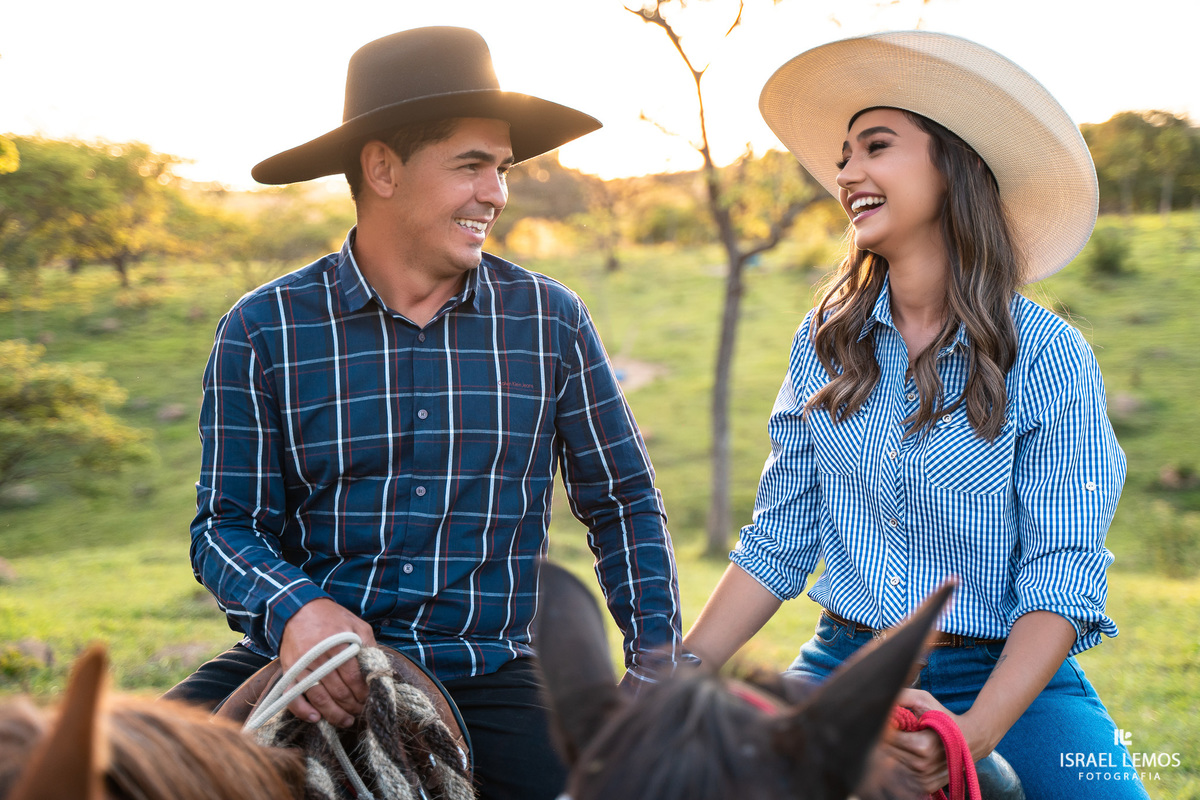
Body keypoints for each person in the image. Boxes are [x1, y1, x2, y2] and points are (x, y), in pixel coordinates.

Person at [165, 27, 692, 800]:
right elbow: (224, 525)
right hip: (301, 661)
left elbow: (623, 502)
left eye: (502, 168)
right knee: (102, 767)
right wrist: (298, 610)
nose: (496, 193)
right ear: (383, 168)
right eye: (471, 166)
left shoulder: (549, 320)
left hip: (490, 676)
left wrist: (654, 670)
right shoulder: (263, 328)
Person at [683, 31, 1149, 799]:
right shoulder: (823, 343)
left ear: (953, 166)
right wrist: (674, 676)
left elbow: (1061, 573)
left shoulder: (1051, 358)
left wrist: (974, 733)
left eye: (876, 146)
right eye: (844, 156)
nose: (845, 174)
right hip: (845, 662)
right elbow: (778, 540)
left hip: (1006, 675)